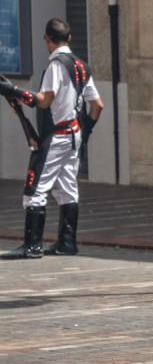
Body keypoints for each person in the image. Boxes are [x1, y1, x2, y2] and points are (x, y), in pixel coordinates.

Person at [0, 18, 103, 259]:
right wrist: (85, 133)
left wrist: (14, 91)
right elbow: (97, 105)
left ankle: (32, 245)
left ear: (47, 39)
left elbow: (45, 101)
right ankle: (67, 243)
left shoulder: (57, 65)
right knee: (67, 187)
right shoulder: (81, 66)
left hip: (57, 135)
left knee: (35, 189)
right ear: (70, 38)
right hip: (74, 135)